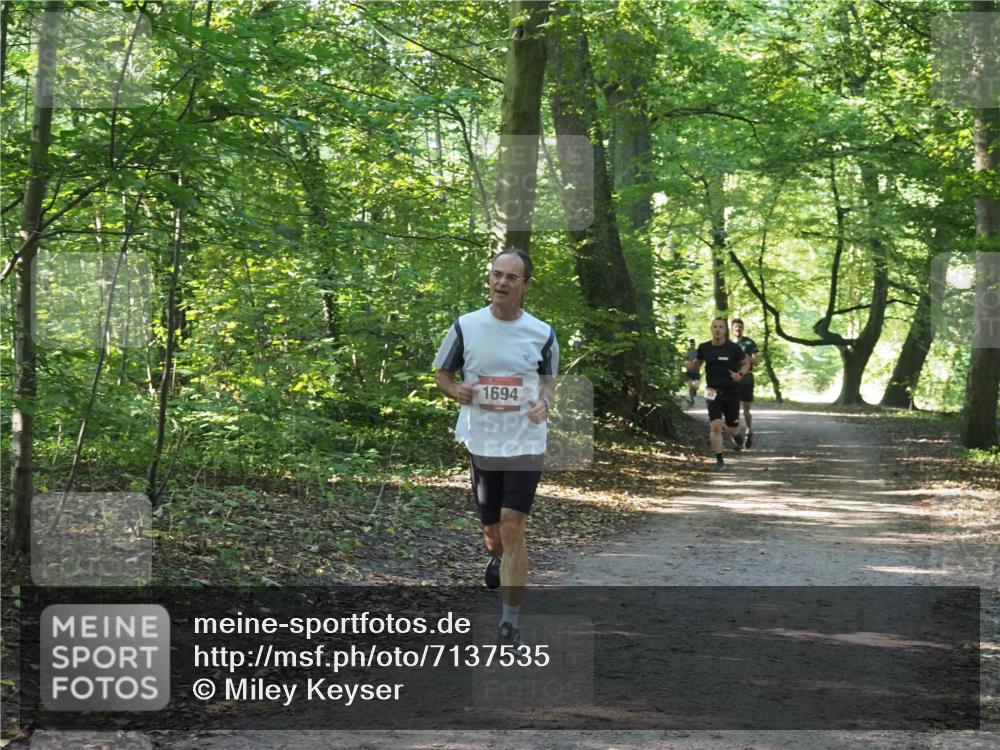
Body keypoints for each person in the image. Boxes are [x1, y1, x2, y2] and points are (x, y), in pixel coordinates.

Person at [433, 249, 558, 647]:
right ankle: (496, 555)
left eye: (510, 278)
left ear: (525, 286)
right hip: (483, 439)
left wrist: (544, 403)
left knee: (512, 524)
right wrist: (457, 390)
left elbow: (549, 382)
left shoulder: (543, 332)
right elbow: (442, 375)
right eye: (496, 275)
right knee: (493, 533)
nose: (501, 283)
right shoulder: (466, 326)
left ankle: (510, 622)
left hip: (525, 440)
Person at [687, 317, 749, 471]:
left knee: (732, 428)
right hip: (712, 391)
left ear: (725, 330)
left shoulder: (733, 348)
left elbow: (746, 362)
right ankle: (719, 459)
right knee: (715, 425)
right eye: (715, 327)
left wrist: (740, 374)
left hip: (731, 391)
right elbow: (697, 363)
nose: (717, 329)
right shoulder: (704, 347)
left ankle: (738, 438)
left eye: (720, 327)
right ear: (711, 329)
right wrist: (690, 366)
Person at [730, 318, 759, 449]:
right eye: (736, 326)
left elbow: (756, 361)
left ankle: (749, 430)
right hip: (732, 379)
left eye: (740, 326)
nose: (738, 329)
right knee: (732, 411)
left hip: (746, 379)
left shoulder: (749, 342)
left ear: (743, 328)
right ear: (732, 328)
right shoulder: (728, 343)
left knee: (746, 411)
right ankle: (736, 439)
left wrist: (744, 356)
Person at [684, 338, 700, 407]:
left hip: (696, 372)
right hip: (689, 372)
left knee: (696, 386)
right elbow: (683, 361)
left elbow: (701, 360)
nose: (692, 345)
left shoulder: (697, 352)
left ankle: (695, 390)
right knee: (691, 386)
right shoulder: (687, 352)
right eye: (691, 344)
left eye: (693, 344)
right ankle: (692, 401)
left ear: (694, 344)